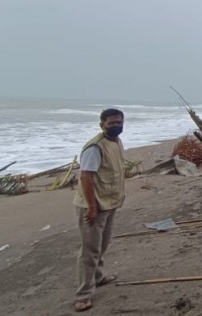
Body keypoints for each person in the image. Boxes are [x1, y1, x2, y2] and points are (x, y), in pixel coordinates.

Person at [72, 108, 126, 312]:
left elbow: (115, 171)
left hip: (109, 202)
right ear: (102, 124)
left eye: (119, 122)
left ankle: (99, 277)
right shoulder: (95, 147)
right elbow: (86, 176)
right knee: (89, 251)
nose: (116, 126)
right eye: (112, 123)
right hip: (93, 205)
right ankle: (84, 294)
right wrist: (92, 207)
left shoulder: (116, 142)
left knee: (101, 245)